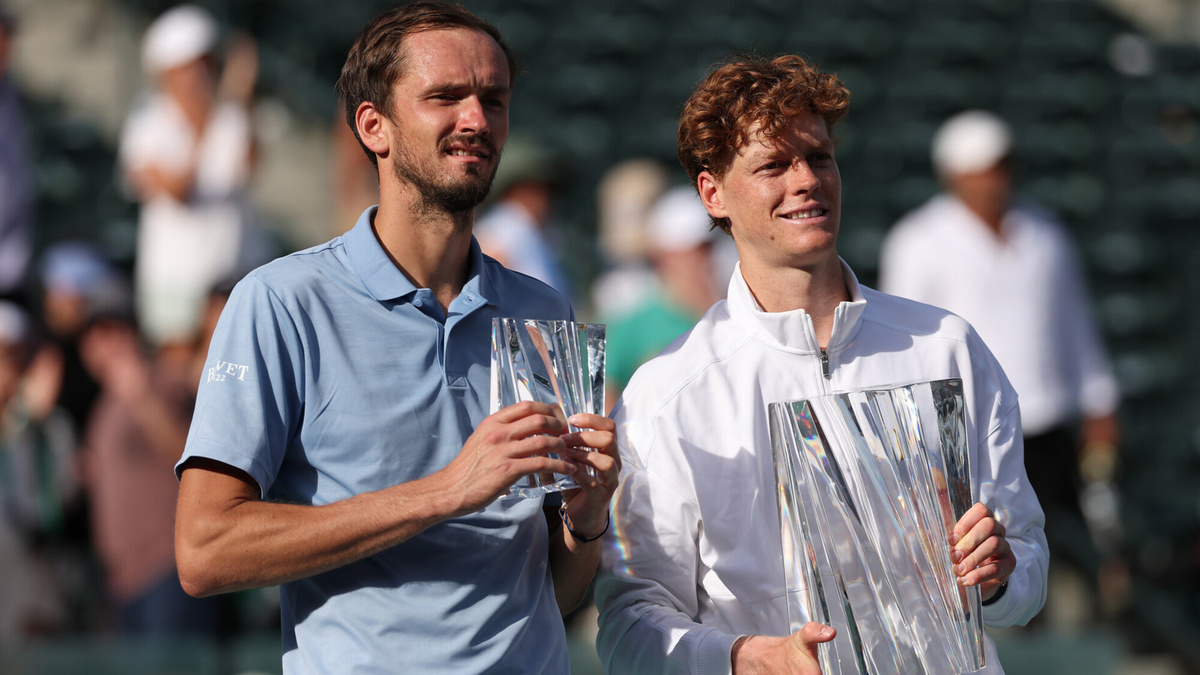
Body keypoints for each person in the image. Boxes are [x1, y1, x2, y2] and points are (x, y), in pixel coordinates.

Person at [173, 3, 619, 673]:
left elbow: (555, 588)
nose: (477, 120)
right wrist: (447, 490)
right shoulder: (280, 302)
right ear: (373, 126)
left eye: (492, 100)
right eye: (446, 97)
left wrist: (585, 519)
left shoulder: (542, 307)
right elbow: (204, 549)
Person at [594, 55, 1047, 674]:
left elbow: (1026, 570)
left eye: (819, 157)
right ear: (713, 192)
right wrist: (747, 658)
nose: (806, 179)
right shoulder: (669, 392)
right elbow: (631, 622)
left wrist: (997, 576)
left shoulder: (946, 345)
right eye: (773, 165)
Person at [878, 110, 1124, 619]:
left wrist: (1099, 401)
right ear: (954, 175)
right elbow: (901, 353)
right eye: (982, 168)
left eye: (1001, 165)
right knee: (983, 565)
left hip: (1048, 421)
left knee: (1054, 561)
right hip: (964, 435)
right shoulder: (917, 240)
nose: (995, 178)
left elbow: (1074, 327)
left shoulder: (1046, 235)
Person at [119, 4, 269, 349]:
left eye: (204, 64)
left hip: (235, 274)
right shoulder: (147, 124)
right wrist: (208, 121)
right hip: (176, 283)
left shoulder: (231, 115)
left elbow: (250, 165)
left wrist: (242, 102)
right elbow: (176, 191)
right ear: (166, 73)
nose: (199, 76)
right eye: (188, 68)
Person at [603, 185, 721, 406]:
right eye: (692, 249)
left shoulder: (730, 311)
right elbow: (606, 396)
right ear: (663, 255)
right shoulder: (632, 322)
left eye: (708, 247)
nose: (703, 257)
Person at [474, 135, 572, 298]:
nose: (547, 198)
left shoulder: (535, 232)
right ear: (516, 189)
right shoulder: (501, 231)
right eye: (538, 188)